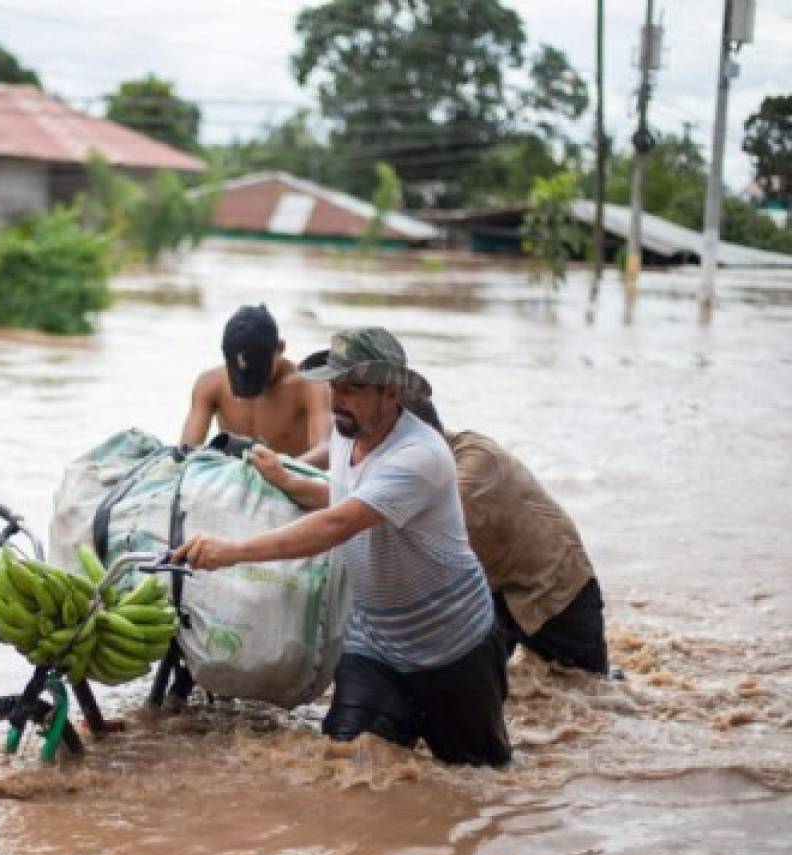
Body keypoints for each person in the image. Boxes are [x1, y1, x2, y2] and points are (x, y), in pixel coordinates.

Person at [174, 327, 511, 767]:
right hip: (375, 642)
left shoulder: (418, 456)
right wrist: (287, 480)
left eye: (352, 388)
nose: (337, 400)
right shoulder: (345, 435)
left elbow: (338, 523)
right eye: (334, 386)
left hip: (451, 645)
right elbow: (342, 496)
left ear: (391, 393)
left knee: (478, 780)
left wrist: (232, 552)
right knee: (346, 764)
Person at [404, 397, 609, 675]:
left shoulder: (475, 464)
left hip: (556, 592)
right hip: (498, 595)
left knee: (591, 688)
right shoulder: (431, 461)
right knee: (508, 692)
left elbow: (413, 529)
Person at [180, 304, 331, 458]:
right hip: (234, 477)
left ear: (280, 348)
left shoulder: (311, 385)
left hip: (291, 476)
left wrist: (282, 474)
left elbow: (325, 450)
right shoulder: (210, 384)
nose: (248, 381)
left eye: (257, 371)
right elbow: (186, 451)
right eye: (238, 374)